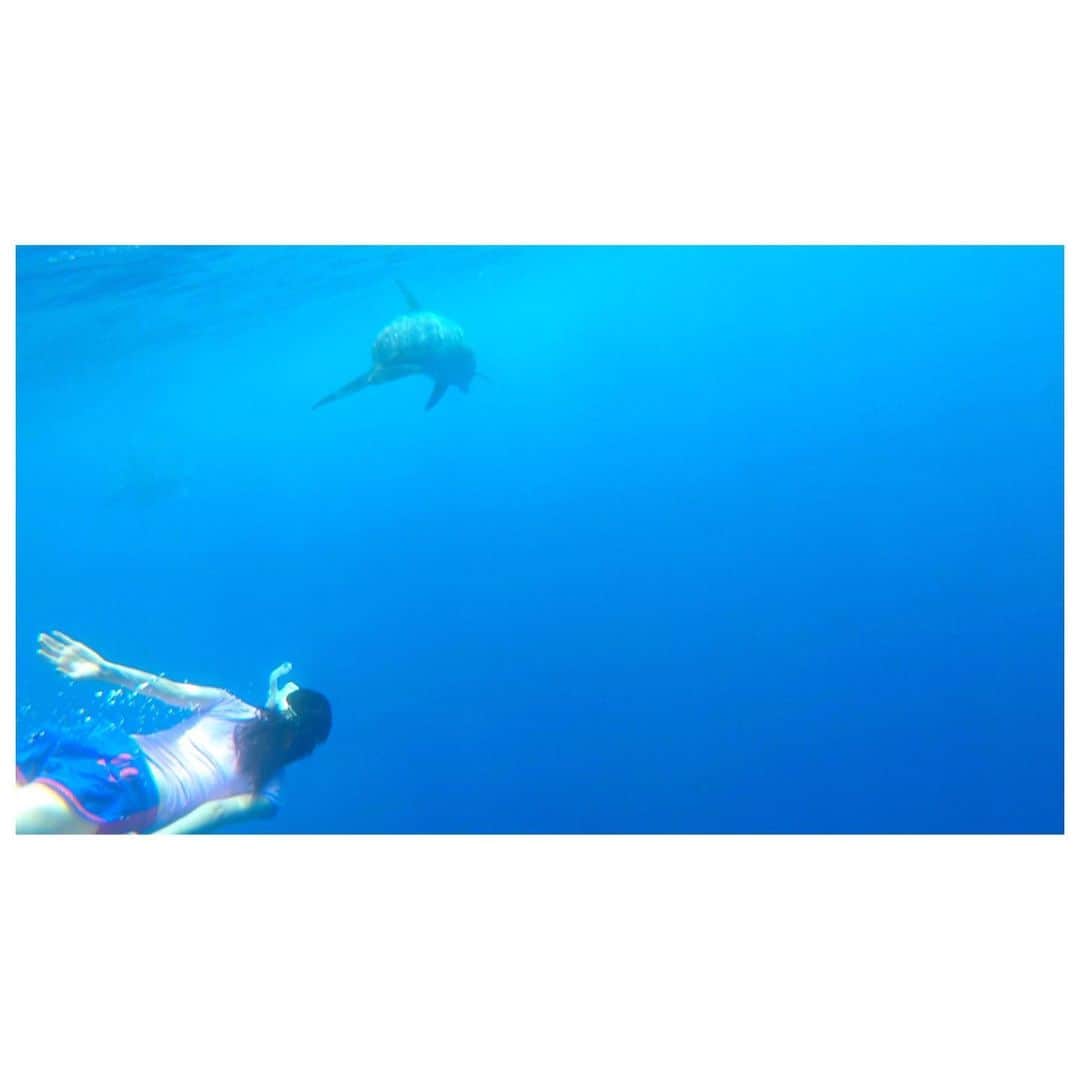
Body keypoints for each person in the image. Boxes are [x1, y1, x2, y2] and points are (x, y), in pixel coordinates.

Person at [16, 631, 331, 834]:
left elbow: (163, 688)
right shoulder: (270, 792)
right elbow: (217, 811)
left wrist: (105, 670)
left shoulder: (230, 704)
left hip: (103, 746)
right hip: (130, 788)